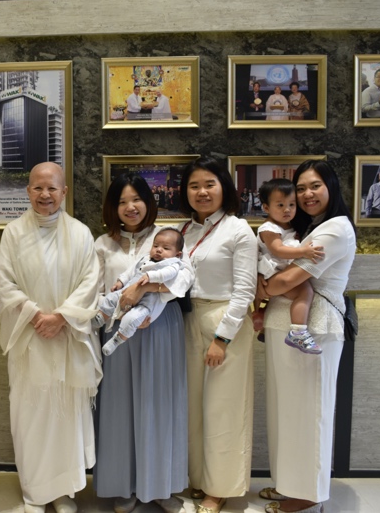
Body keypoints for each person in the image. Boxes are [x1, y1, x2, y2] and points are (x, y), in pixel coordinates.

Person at [0, 162, 101, 513]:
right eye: (38, 188)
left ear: (64, 192)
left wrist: (62, 317)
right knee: (30, 416)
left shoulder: (81, 233)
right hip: (29, 339)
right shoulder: (12, 233)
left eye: (52, 188)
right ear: (28, 191)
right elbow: (4, 283)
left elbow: (91, 283)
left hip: (67, 337)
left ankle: (63, 492)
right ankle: (34, 493)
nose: (45, 195)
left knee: (65, 415)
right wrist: (33, 315)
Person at [259, 160, 356, 513]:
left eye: (314, 186)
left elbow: (285, 281)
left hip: (314, 329)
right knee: (286, 411)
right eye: (300, 188)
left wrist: (265, 286)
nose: (306, 194)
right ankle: (289, 483)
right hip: (285, 327)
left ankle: (308, 495)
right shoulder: (308, 227)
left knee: (309, 411)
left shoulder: (335, 229)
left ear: (331, 186)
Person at [93, 174, 191, 513]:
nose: (130, 207)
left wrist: (144, 288)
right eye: (122, 201)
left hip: (161, 327)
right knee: (119, 405)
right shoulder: (103, 244)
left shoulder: (169, 238)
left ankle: (160, 484)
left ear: (149, 203)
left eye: (136, 199)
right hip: (118, 329)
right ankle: (124, 484)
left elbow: (183, 282)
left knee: (158, 405)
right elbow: (97, 289)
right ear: (113, 208)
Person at [179, 156, 257, 513]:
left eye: (209, 184)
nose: (202, 192)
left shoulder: (238, 230)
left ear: (224, 187)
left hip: (225, 322)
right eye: (194, 185)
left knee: (223, 409)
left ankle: (220, 488)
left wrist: (222, 338)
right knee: (194, 407)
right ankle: (198, 478)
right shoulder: (184, 231)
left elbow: (245, 291)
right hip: (188, 319)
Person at [251, 179, 324, 352]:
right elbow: (278, 250)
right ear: (266, 208)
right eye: (281, 205)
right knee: (304, 292)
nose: (287, 209)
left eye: (292, 204)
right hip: (273, 273)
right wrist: (303, 252)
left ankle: (261, 317)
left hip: (279, 271)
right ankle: (298, 331)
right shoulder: (268, 228)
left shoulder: (287, 226)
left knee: (301, 292)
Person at [95, 228, 188, 356]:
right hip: (125, 292)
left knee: (132, 319)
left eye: (165, 248)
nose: (159, 250)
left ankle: (118, 339)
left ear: (177, 254)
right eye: (155, 246)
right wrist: (120, 282)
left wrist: (151, 278)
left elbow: (169, 274)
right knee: (110, 298)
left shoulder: (173, 264)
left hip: (147, 303)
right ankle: (99, 318)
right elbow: (130, 271)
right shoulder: (145, 258)